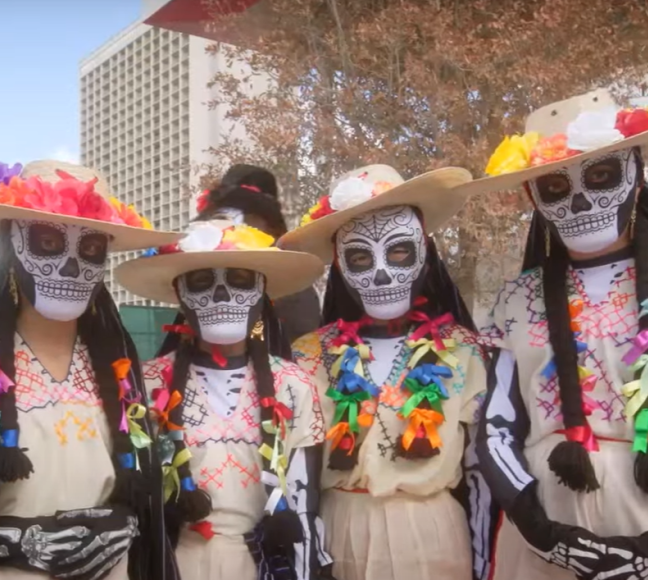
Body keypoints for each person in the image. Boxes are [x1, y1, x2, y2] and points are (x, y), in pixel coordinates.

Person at [473, 89, 648, 579]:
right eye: (555, 184)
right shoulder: (516, 298)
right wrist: (540, 531)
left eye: (600, 177)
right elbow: (495, 427)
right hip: (546, 536)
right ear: (534, 196)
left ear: (635, 180)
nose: (579, 199)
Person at [0, 160, 181, 580]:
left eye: (92, 248)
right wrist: (18, 543)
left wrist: (124, 524)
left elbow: (141, 480)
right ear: (10, 245)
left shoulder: (116, 366)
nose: (72, 266)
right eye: (46, 241)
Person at [281, 165, 496, 580]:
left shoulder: (462, 349)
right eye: (360, 257)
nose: (381, 273)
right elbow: (295, 470)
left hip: (434, 533)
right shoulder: (308, 355)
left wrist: (486, 562)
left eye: (399, 250)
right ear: (341, 267)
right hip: (340, 530)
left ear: (425, 252)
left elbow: (478, 470)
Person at [115, 218, 331, 580]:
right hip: (172, 563)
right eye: (202, 282)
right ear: (180, 292)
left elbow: (303, 504)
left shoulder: (293, 384)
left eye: (240, 281)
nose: (220, 295)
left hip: (262, 563)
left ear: (262, 292)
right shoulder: (147, 382)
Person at [195, 164, 322, 344]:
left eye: (247, 218)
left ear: (269, 227)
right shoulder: (203, 280)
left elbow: (303, 348)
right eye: (225, 217)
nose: (234, 228)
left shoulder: (294, 286)